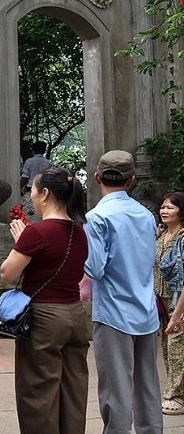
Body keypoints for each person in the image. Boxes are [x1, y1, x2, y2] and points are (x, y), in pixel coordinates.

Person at [0, 166, 89, 433]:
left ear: (46, 194)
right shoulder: (79, 232)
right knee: (73, 391)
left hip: (45, 317)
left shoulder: (37, 233)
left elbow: (7, 273)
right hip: (75, 314)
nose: (32, 196)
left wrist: (22, 242)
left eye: (33, 191)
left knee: (39, 391)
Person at [84, 150, 163, 433]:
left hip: (113, 313)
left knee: (116, 388)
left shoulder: (97, 217)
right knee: (148, 386)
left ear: (96, 178)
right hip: (146, 310)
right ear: (132, 180)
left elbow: (94, 268)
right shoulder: (146, 215)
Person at [156, 192, 184, 415]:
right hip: (161, 299)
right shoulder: (160, 235)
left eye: (170, 208)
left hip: (179, 301)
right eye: (163, 207)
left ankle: (176, 395)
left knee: (177, 348)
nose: (164, 211)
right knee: (167, 347)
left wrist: (178, 313)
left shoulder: (182, 239)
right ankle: (174, 391)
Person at [20, 141, 54, 223]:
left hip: (30, 191)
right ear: (44, 150)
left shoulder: (29, 161)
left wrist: (19, 189)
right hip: (44, 192)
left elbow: (24, 177)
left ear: (33, 150)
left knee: (27, 215)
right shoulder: (48, 163)